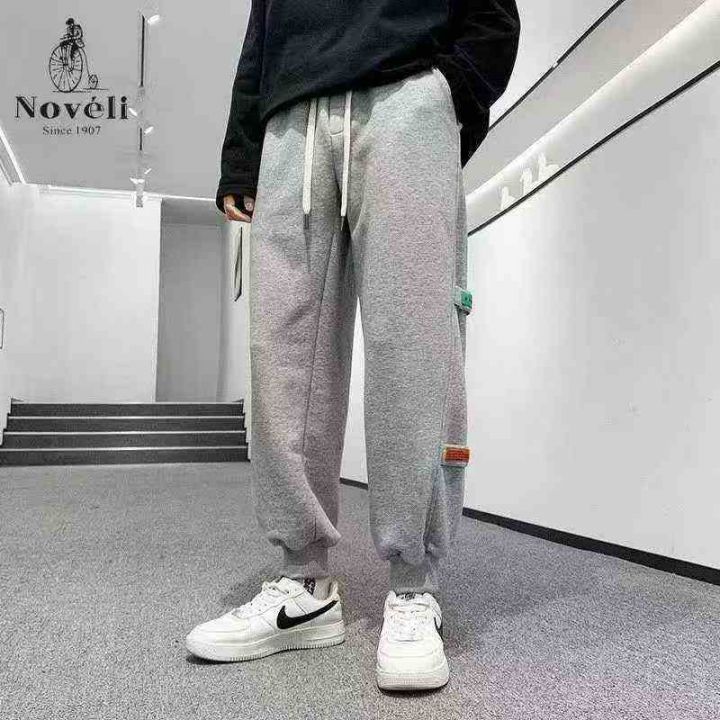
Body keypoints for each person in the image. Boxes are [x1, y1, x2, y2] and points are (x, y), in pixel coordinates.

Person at [186, 0, 520, 691]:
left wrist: (449, 92)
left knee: (412, 347)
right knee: (284, 357)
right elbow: (261, 30)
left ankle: (413, 584)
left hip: (407, 95)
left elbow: (493, 12)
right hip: (290, 121)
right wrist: (241, 154)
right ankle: (302, 585)